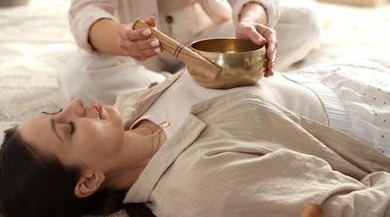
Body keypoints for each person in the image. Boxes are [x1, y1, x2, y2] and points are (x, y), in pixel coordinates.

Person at [1, 56, 389, 217]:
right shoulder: (205, 184)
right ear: (88, 180)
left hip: (334, 73)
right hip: (369, 117)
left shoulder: (131, 107)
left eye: (56, 111)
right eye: (67, 127)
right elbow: (362, 207)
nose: (73, 105)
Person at [58, 0, 321, 105]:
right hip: (136, 48)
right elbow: (88, 10)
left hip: (206, 41)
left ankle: (175, 94)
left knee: (303, 21)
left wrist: (249, 21)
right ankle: (213, 86)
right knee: (79, 76)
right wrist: (124, 40)